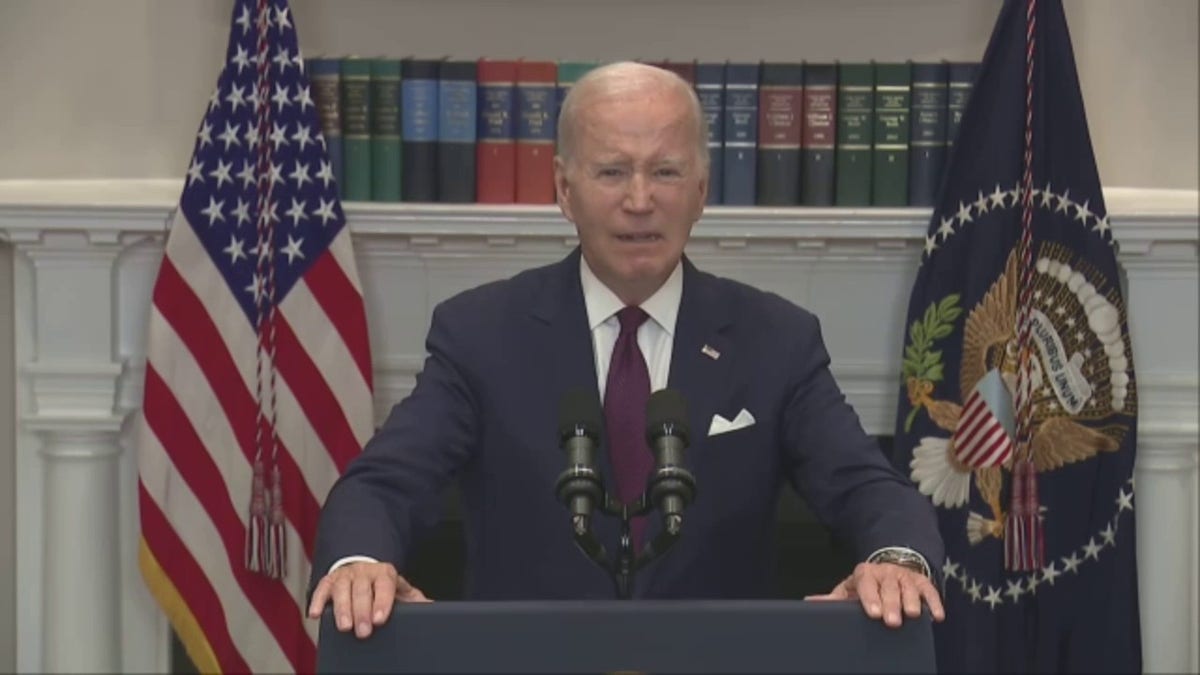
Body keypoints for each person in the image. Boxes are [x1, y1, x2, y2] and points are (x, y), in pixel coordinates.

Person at [307, 61, 945, 638]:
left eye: (665, 171)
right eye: (612, 171)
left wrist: (894, 559)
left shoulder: (775, 339)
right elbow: (383, 484)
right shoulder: (480, 333)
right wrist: (363, 563)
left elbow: (869, 488)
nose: (639, 200)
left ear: (700, 190)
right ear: (564, 189)